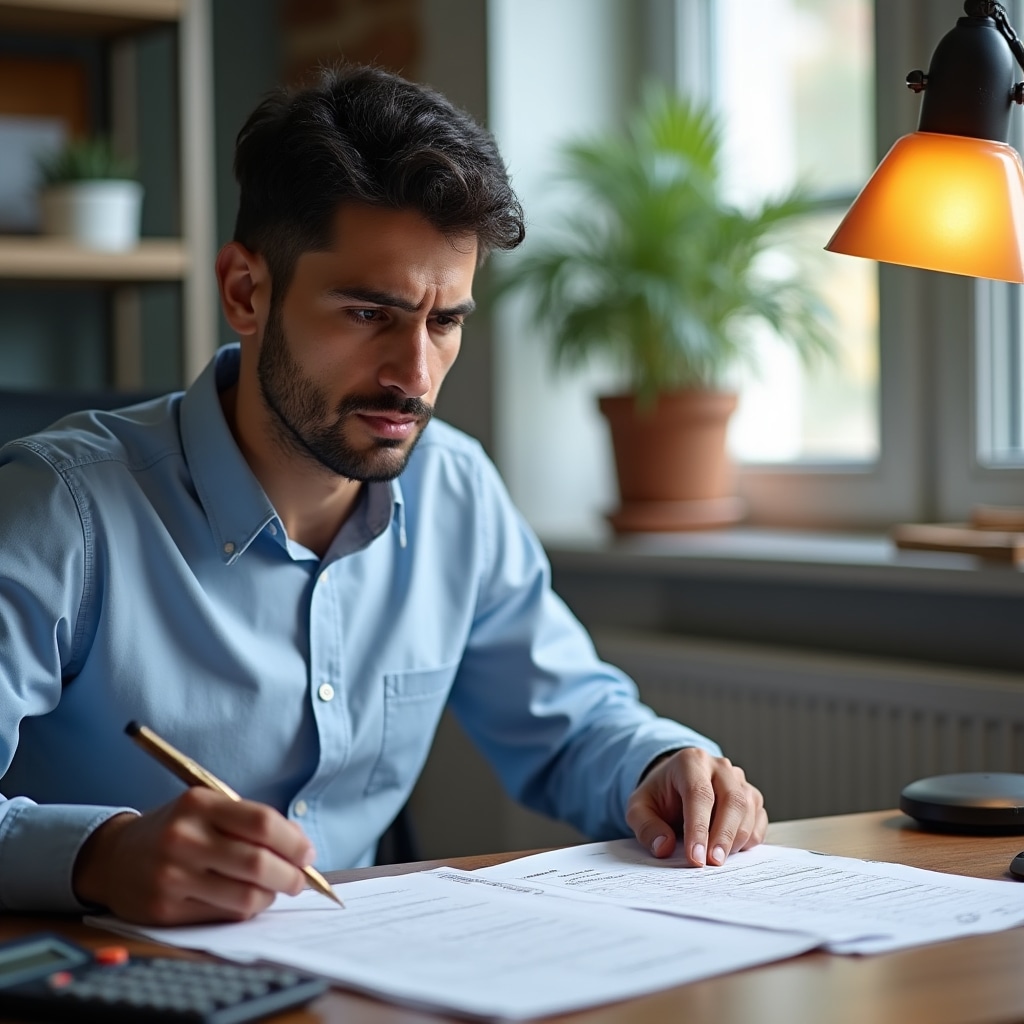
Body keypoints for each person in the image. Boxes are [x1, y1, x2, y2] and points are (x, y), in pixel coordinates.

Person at [0, 64, 766, 925]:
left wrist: (658, 763)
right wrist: (97, 857)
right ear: (246, 292)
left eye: (444, 323)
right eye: (369, 314)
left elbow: (568, 718)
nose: (415, 376)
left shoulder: (455, 489)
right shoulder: (58, 510)